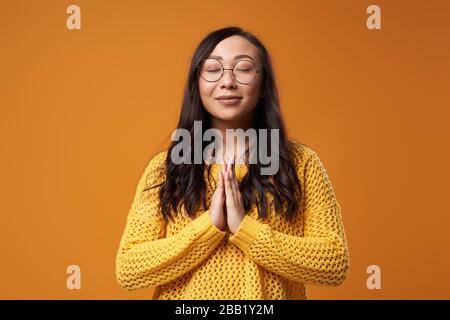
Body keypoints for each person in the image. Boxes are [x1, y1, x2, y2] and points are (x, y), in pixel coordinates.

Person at [115, 26, 350, 300]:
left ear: (263, 85)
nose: (227, 82)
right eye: (213, 69)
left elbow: (333, 263)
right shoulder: (165, 168)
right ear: (198, 83)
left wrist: (245, 230)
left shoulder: (301, 164)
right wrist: (210, 227)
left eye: (244, 68)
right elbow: (129, 269)